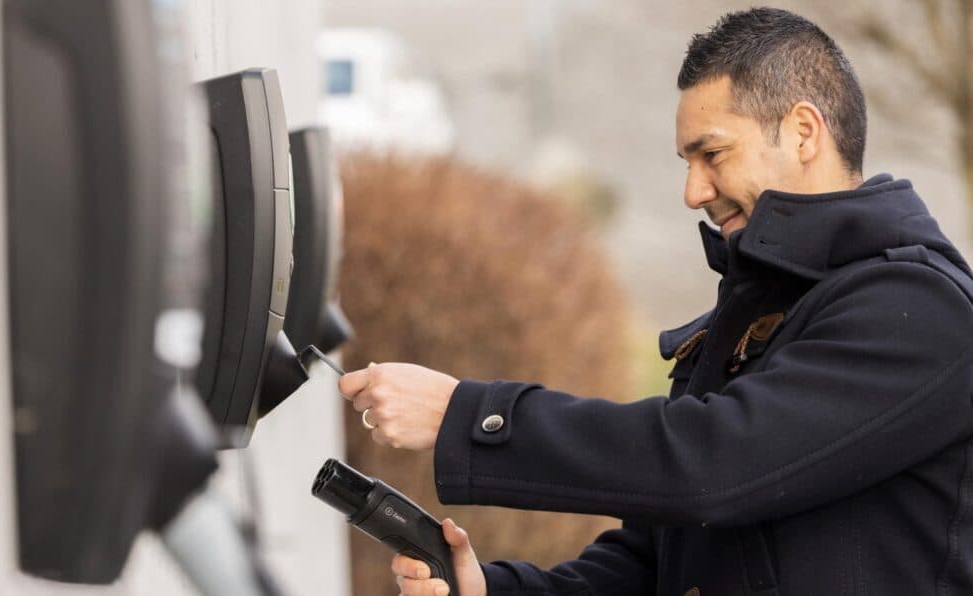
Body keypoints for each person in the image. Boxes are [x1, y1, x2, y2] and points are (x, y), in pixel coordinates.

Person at [339, 7, 973, 595]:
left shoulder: (917, 308)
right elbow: (656, 559)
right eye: (687, 161)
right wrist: (492, 589)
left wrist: (469, 415)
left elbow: (710, 464)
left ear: (803, 132)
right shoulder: (756, 314)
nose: (693, 191)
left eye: (713, 154)